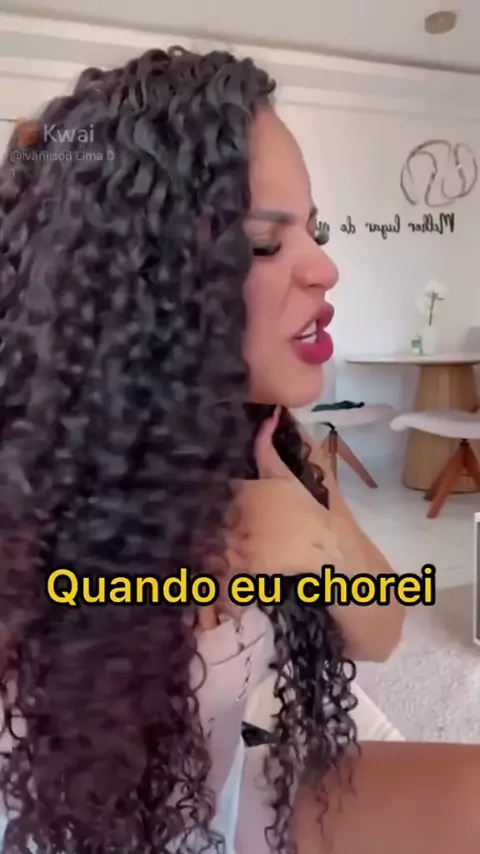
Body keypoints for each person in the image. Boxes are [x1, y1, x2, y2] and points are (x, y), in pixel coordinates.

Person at [0, 45, 478, 854]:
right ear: (137, 278)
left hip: (209, 809)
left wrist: (317, 542)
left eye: (314, 231)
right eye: (264, 242)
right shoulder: (25, 479)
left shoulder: (270, 447)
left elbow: (383, 633)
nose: (324, 267)